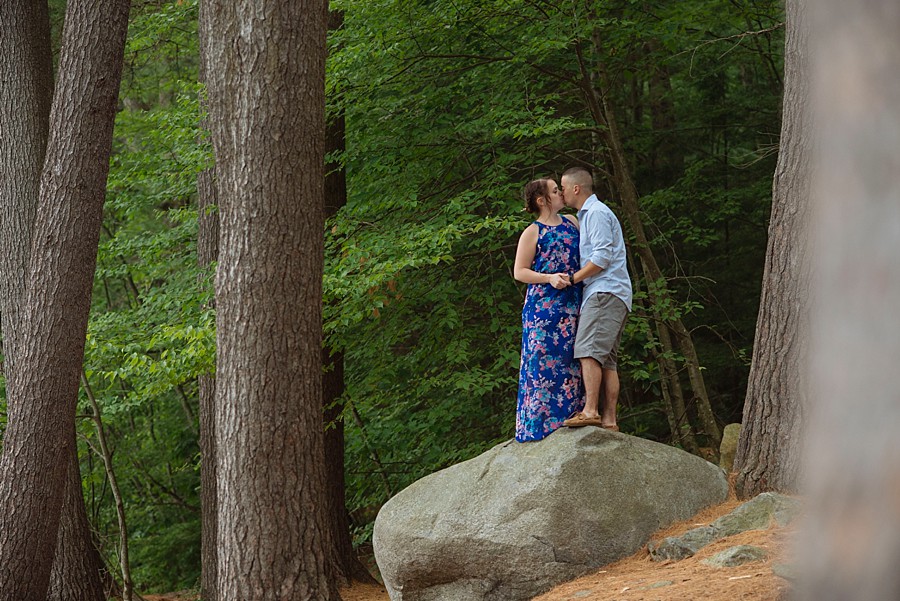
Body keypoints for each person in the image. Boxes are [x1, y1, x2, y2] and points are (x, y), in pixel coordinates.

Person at [559, 167, 632, 432]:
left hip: (604, 291)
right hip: (614, 292)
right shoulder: (588, 215)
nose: (562, 193)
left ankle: (590, 411)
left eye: (563, 188)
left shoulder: (597, 214)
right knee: (607, 359)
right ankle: (610, 421)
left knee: (588, 350)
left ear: (576, 188)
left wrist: (573, 278)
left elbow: (601, 258)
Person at [513, 178, 584, 442]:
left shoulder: (572, 223)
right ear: (542, 200)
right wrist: (549, 277)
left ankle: (573, 416)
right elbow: (519, 271)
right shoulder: (533, 231)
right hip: (543, 308)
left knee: (572, 359)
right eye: (555, 191)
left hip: (573, 304)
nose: (561, 193)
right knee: (542, 364)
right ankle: (541, 427)